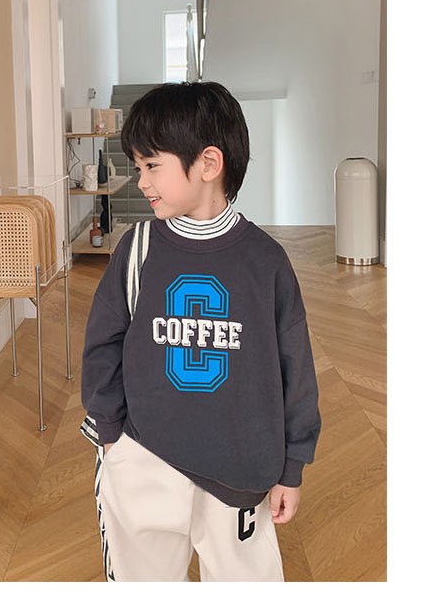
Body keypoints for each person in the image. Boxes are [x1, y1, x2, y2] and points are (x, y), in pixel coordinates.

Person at [81, 81, 322, 582]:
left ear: (209, 164)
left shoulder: (266, 262)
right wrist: (110, 433)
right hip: (143, 458)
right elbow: (103, 342)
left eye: (152, 165)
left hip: (239, 470)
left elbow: (295, 368)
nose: (141, 181)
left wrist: (291, 466)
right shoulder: (137, 248)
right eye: (137, 167)